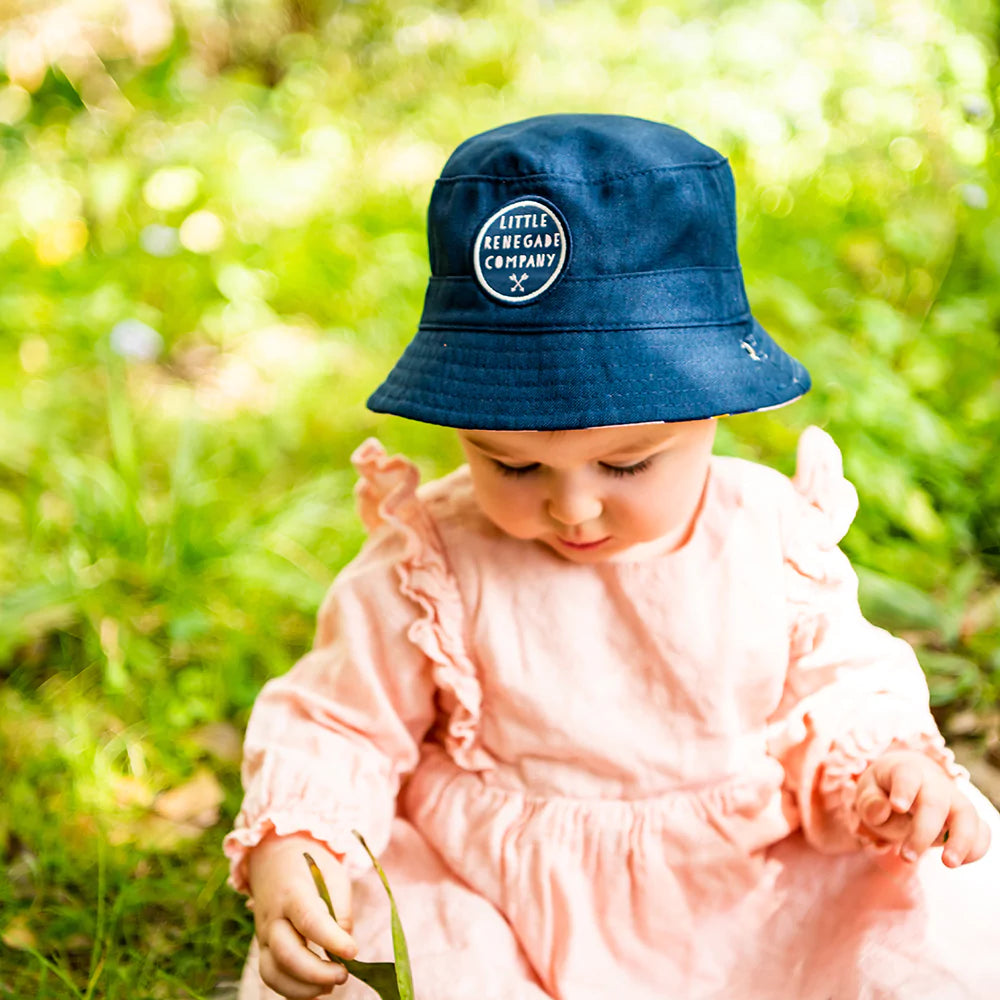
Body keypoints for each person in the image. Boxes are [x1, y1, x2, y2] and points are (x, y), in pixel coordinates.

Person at [224, 114, 1000, 1000]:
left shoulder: (765, 536)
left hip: (744, 882)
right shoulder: (432, 561)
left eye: (627, 461)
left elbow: (838, 689)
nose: (574, 505)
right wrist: (297, 845)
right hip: (496, 890)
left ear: (715, 410)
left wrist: (886, 769)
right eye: (510, 463)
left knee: (925, 923)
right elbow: (341, 721)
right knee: (405, 957)